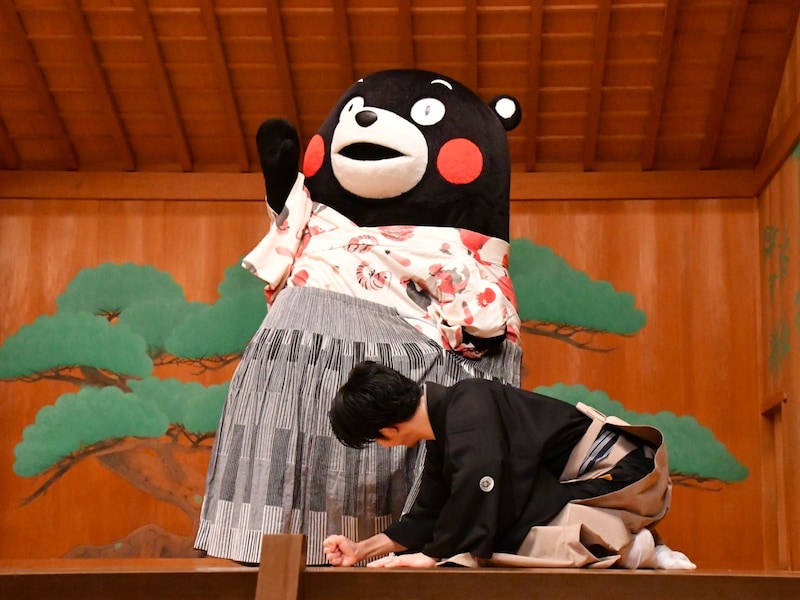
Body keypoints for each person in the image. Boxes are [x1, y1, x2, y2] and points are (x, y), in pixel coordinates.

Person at [323, 361, 696, 570]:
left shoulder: (467, 402)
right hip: (588, 484)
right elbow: (430, 512)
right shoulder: (445, 426)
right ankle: (625, 542)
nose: (385, 447)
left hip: (620, 475)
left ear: (387, 429)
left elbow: (481, 480)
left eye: (377, 440)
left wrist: (434, 554)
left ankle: (632, 548)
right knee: (472, 528)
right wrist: (362, 550)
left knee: (479, 542)